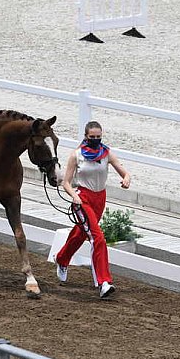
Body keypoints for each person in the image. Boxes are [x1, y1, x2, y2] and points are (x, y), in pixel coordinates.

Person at [54, 121, 131, 299]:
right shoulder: (77, 155)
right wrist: (74, 195)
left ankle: (62, 258)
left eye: (98, 137)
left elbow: (124, 172)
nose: (95, 140)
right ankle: (104, 281)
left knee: (82, 232)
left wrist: (126, 179)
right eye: (92, 137)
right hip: (83, 199)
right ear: (86, 136)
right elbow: (66, 182)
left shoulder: (106, 154)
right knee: (97, 237)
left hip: (99, 199)